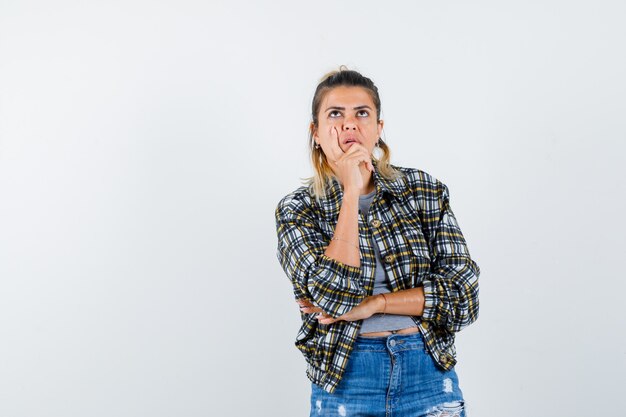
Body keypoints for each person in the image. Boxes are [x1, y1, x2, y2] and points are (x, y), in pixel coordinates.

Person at [275, 67, 480, 417]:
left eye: (362, 113)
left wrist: (376, 304)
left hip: (427, 374)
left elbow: (464, 296)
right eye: (335, 114)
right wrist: (351, 192)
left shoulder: (423, 191)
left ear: (378, 129)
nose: (350, 124)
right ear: (316, 132)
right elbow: (334, 298)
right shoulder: (298, 209)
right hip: (347, 378)